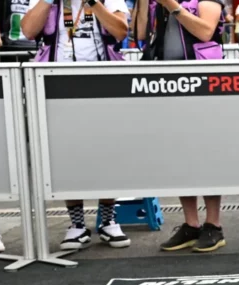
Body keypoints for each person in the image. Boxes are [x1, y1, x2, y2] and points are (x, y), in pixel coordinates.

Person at [21, 0, 132, 251]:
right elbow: (28, 31)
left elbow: (120, 31)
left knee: (107, 151)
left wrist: (93, 4)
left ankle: (108, 219)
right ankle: (77, 224)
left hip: (102, 81)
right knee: (66, 153)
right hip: (57, 83)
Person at [135, 0, 227, 252]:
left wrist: (173, 7)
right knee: (180, 154)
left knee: (206, 153)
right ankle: (191, 224)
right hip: (168, 83)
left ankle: (214, 224)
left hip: (203, 83)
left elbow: (206, 31)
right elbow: (141, 34)